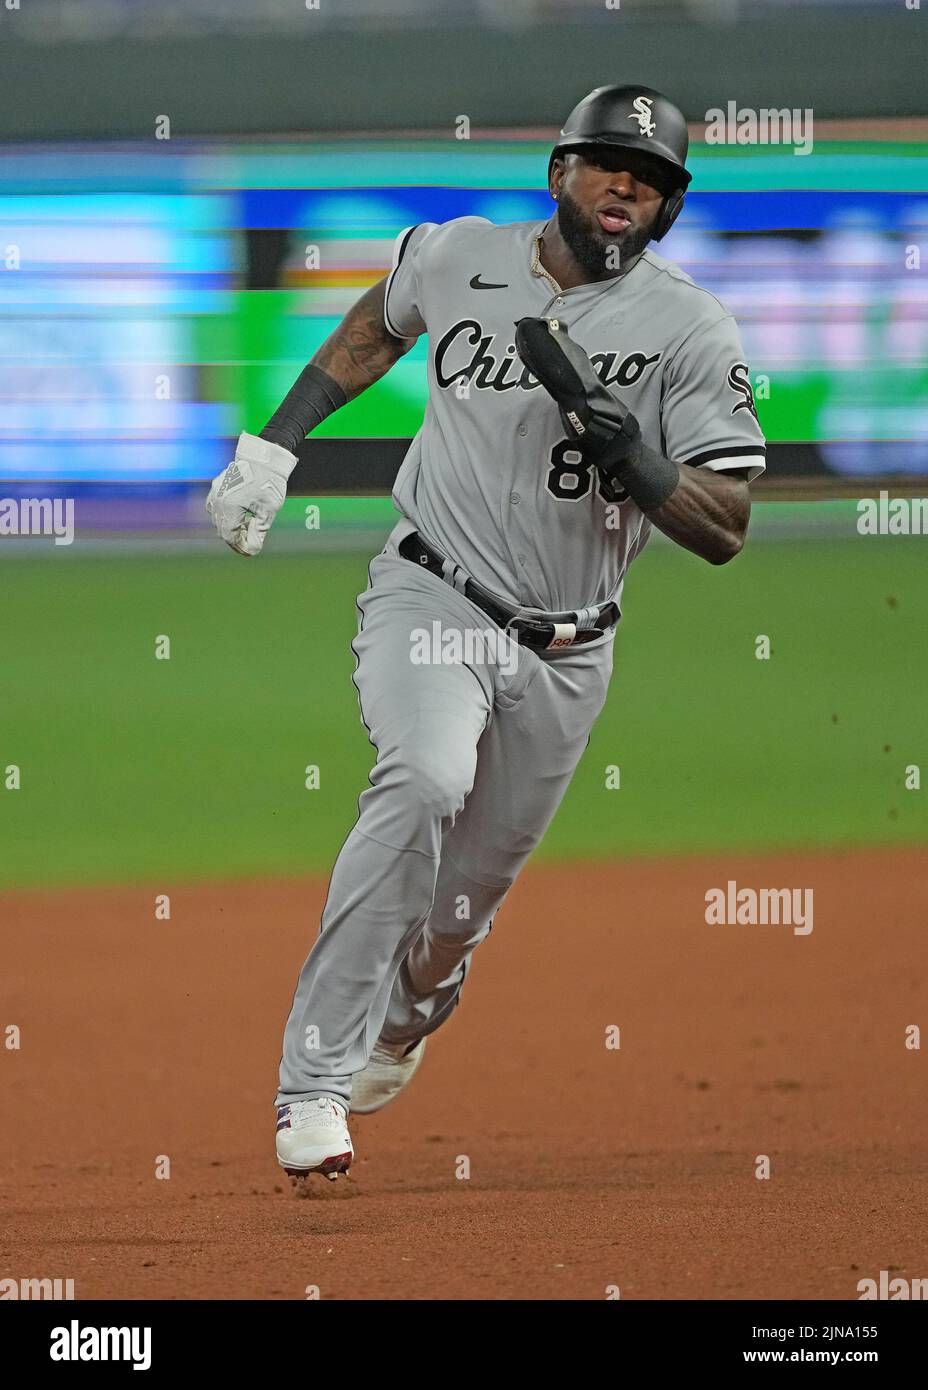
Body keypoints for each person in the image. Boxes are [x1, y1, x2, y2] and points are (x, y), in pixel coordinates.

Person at [206, 84, 766, 1182]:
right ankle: (311, 1083)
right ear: (560, 171)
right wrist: (273, 447)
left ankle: (418, 1003)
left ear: (667, 210)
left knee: (462, 904)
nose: (626, 188)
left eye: (649, 180)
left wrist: (636, 458)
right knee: (418, 774)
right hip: (435, 590)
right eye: (609, 164)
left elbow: (726, 526)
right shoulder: (459, 253)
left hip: (570, 647)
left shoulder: (691, 327)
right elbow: (376, 322)